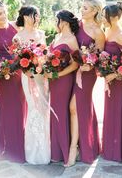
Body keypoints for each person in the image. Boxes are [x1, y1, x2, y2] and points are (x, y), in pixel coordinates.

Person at [66, 0, 105, 166]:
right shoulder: (76, 25)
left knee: (75, 107)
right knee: (82, 107)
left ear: (95, 11)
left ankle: (74, 149)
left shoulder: (98, 32)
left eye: (86, 8)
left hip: (87, 75)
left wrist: (90, 65)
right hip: (72, 70)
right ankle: (89, 143)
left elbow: (100, 57)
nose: (82, 10)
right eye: (81, 7)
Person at [15, 6, 50, 164]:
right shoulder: (17, 37)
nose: (33, 18)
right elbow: (18, 61)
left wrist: (43, 63)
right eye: (30, 15)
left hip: (41, 76)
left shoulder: (41, 34)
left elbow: (45, 54)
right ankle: (34, 151)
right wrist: (27, 70)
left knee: (43, 108)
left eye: (35, 15)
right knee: (33, 107)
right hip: (27, 77)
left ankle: (47, 148)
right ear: (23, 17)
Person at [45, 10, 79, 164]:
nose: (55, 23)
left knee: (61, 112)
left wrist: (58, 75)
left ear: (64, 22)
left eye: (56, 20)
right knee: (55, 113)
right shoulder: (57, 36)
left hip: (64, 80)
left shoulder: (71, 39)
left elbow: (75, 64)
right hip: (53, 80)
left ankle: (66, 151)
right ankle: (56, 152)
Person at [0, 0, 26, 163]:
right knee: (10, 110)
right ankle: (12, 149)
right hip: (6, 76)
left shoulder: (16, 26)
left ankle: (23, 145)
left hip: (21, 72)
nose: (4, 15)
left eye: (5, 11)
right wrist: (2, 69)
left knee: (23, 108)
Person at [101, 3, 122, 162]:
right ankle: (110, 149)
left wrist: (114, 74)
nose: (102, 19)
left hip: (119, 81)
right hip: (110, 79)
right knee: (110, 112)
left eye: (104, 16)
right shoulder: (107, 30)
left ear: (113, 17)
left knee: (118, 113)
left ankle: (119, 152)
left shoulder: (120, 34)